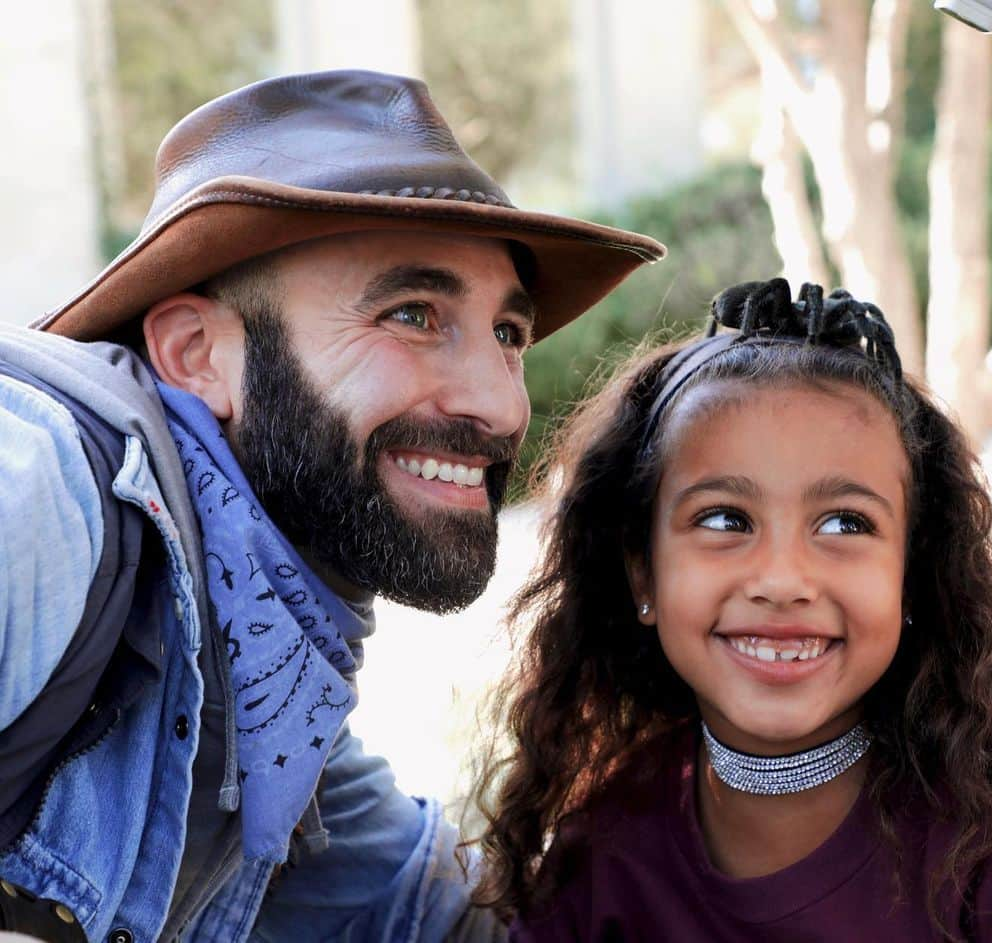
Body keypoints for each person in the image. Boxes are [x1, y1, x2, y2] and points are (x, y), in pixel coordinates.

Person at [0, 70, 664, 942]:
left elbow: (428, 913)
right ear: (197, 354)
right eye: (412, 314)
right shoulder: (41, 490)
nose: (501, 406)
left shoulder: (265, 680)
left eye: (508, 333)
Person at [473, 278, 992, 940]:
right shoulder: (601, 855)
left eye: (846, 524)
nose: (783, 580)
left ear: (912, 574)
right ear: (642, 571)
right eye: (726, 518)